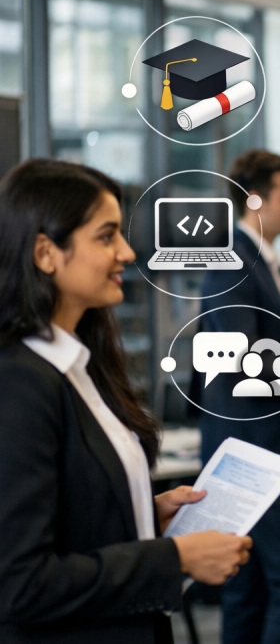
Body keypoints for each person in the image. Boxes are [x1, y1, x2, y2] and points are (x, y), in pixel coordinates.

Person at [0, 159, 251, 644]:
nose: (127, 252)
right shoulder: (19, 381)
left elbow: (68, 516)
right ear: (45, 252)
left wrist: (137, 512)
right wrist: (173, 559)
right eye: (106, 235)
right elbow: (19, 582)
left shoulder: (80, 365)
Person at [190, 150, 280, 644]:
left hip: (264, 443)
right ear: (255, 201)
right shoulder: (233, 258)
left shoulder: (261, 258)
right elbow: (235, 355)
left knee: (248, 587)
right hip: (255, 450)